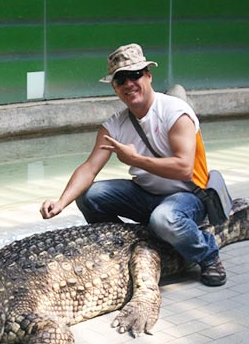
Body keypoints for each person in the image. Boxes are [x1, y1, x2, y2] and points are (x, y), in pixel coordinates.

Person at [39, 43, 227, 287]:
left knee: (165, 219)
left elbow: (184, 168)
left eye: (135, 75)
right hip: (145, 195)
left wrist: (136, 160)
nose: (128, 83)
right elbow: (89, 168)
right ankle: (126, 247)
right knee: (89, 196)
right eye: (120, 79)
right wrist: (60, 202)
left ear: (148, 76)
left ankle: (208, 255)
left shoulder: (175, 112)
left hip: (187, 195)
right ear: (115, 88)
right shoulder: (114, 125)